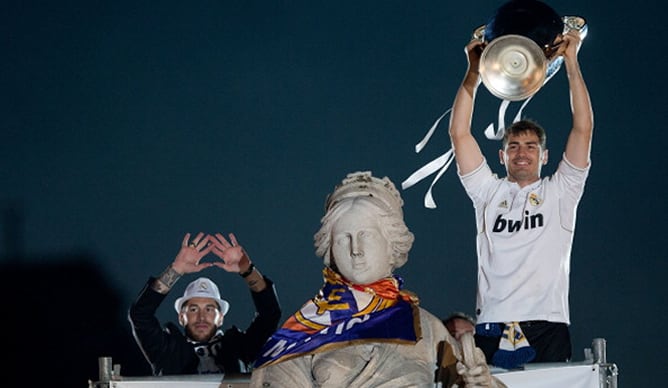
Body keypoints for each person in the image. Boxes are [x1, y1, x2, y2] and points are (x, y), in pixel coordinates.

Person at [249, 171, 500, 387]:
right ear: (331, 251)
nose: (355, 249)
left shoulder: (426, 327)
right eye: (343, 239)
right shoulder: (304, 330)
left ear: (392, 245)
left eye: (366, 235)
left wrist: (482, 383)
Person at [447, 24, 594, 370]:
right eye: (513, 146)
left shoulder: (561, 190)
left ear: (545, 156)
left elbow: (583, 128)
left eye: (531, 147)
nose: (522, 153)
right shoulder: (488, 192)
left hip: (548, 323)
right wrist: (473, 73)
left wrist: (571, 61)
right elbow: (459, 133)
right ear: (502, 156)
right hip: (491, 324)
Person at [128, 231, 282, 375]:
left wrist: (247, 270)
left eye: (209, 309)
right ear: (181, 317)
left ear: (221, 317)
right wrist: (176, 270)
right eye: (193, 309)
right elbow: (140, 314)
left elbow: (269, 315)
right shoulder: (167, 349)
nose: (202, 317)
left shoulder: (239, 347)